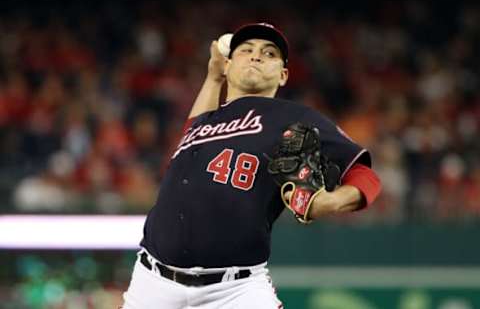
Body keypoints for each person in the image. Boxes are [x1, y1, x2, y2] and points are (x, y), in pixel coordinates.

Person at [122, 22, 381, 309]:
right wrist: (213, 78)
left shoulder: (294, 117)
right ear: (230, 65)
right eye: (246, 50)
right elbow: (191, 134)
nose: (256, 56)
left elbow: (366, 175)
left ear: (283, 75)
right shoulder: (208, 121)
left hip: (235, 291)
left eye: (269, 54)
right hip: (152, 284)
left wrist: (331, 202)